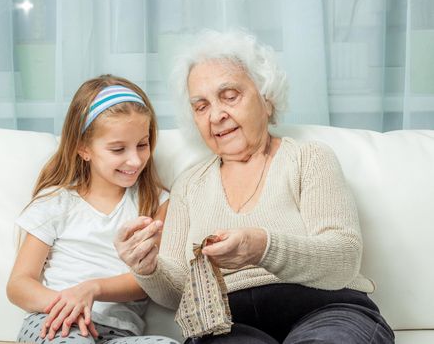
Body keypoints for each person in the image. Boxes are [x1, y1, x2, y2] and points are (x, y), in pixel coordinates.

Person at [114, 30, 395, 343]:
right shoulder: (189, 185)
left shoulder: (309, 158)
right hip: (228, 325)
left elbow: (343, 258)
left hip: (327, 309)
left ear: (267, 98)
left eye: (230, 96)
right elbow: (178, 289)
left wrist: (263, 248)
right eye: (201, 106)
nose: (217, 115)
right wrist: (148, 268)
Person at [6, 75, 178, 344]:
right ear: (84, 149)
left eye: (142, 145)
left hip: (120, 334)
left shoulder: (155, 202)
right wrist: (69, 304)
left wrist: (93, 289)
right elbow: (19, 284)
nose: (134, 160)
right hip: (54, 322)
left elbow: (145, 283)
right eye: (118, 149)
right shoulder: (56, 202)